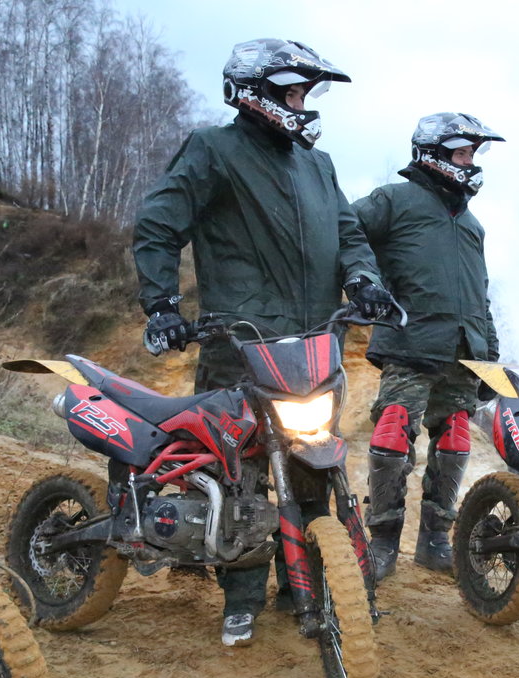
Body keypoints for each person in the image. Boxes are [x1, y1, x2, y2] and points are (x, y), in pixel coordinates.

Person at [131, 37, 388, 647]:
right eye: (290, 91)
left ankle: (309, 586)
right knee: (241, 469)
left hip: (314, 344)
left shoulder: (317, 165)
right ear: (255, 93)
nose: (301, 103)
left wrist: (365, 279)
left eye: (305, 91)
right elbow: (158, 224)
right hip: (239, 342)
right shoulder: (213, 150)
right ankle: (240, 597)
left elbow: (349, 233)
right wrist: (163, 305)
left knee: (313, 464)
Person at [352, 113, 505, 580]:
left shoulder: (472, 223)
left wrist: (491, 355)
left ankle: (436, 540)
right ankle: (381, 542)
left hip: (465, 352)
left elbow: (480, 293)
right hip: (410, 341)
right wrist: (366, 283)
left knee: (456, 441)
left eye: (474, 154)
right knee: (393, 435)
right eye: (462, 152)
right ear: (432, 153)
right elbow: (346, 235)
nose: (470, 161)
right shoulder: (393, 200)